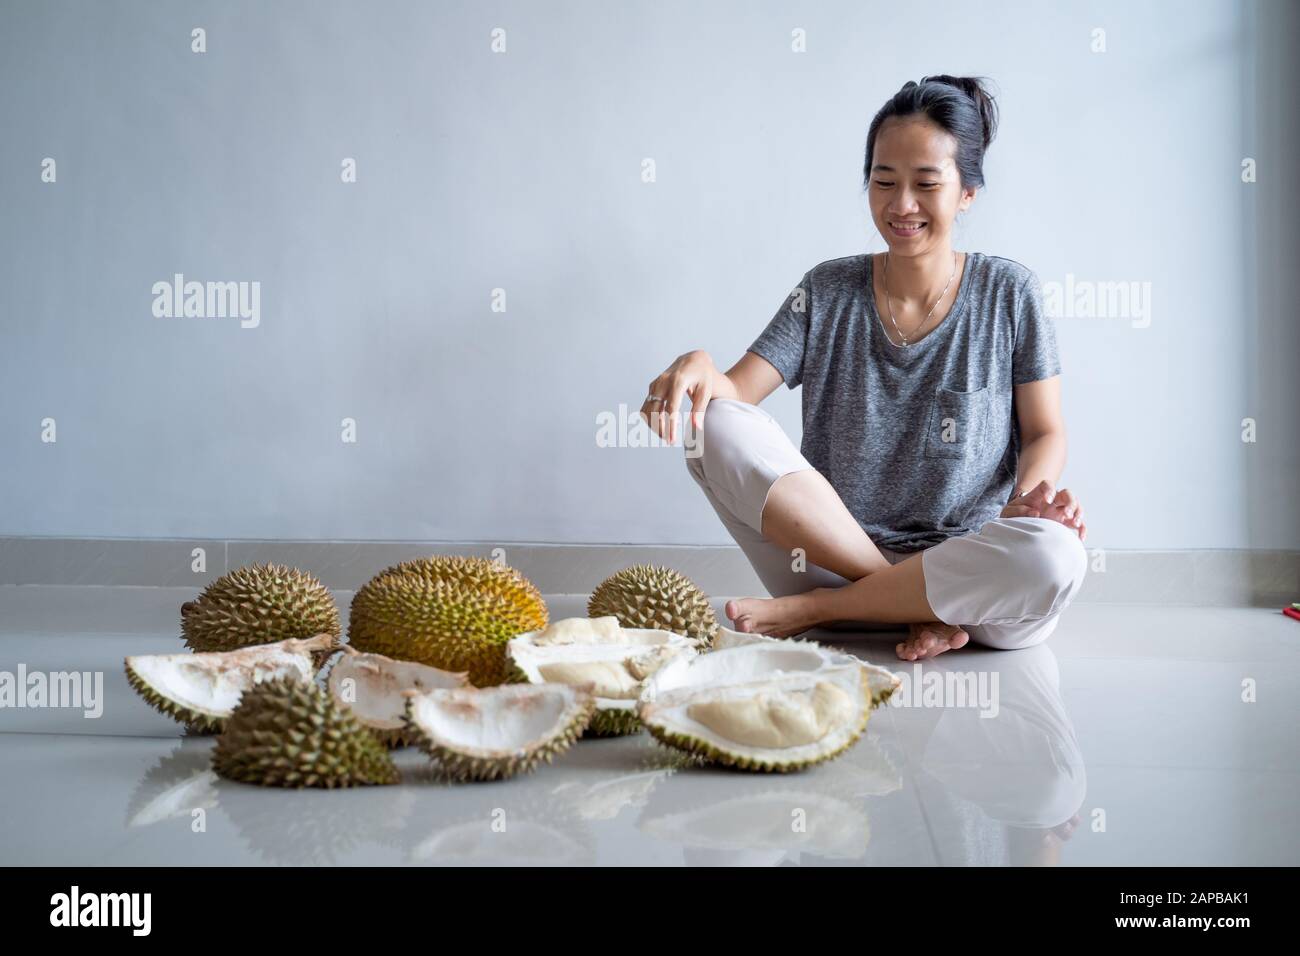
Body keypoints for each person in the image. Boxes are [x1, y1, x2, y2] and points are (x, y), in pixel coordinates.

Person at [639, 75, 1088, 662]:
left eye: (926, 183)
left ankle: (829, 615)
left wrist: (1027, 501)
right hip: (829, 561)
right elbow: (735, 394)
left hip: (971, 577)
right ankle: (900, 604)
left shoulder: (1011, 293)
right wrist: (699, 365)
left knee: (1056, 557)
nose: (902, 205)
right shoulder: (827, 289)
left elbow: (1046, 432)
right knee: (712, 422)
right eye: (884, 181)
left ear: (968, 193)